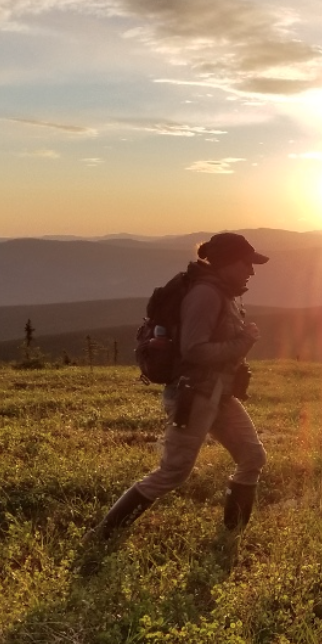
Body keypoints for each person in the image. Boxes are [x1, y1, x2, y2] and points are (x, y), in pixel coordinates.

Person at [81, 233, 269, 571]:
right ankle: (102, 536)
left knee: (253, 456)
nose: (251, 273)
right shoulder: (205, 296)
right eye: (246, 264)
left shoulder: (220, 293)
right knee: (173, 473)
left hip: (217, 395)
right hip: (195, 395)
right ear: (227, 262)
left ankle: (232, 536)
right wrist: (244, 341)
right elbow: (194, 350)